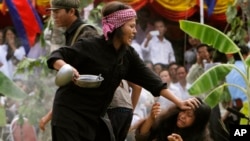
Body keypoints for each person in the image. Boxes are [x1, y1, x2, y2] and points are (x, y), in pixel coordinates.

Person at [46, 1, 199, 141]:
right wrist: (67, 68)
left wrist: (179, 102)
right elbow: (56, 56)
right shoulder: (90, 45)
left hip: (93, 118)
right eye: (131, 26)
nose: (134, 31)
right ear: (117, 27)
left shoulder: (128, 55)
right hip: (69, 113)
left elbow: (153, 82)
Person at [39, 0, 98, 131]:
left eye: (57, 11)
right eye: (52, 12)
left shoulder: (87, 33)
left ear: (71, 11)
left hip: (84, 112)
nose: (53, 15)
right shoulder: (71, 34)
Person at [135, 97, 212, 141]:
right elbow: (140, 138)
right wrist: (151, 118)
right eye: (183, 111)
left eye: (189, 115)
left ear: (198, 121)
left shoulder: (201, 139)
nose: (182, 116)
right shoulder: (166, 120)